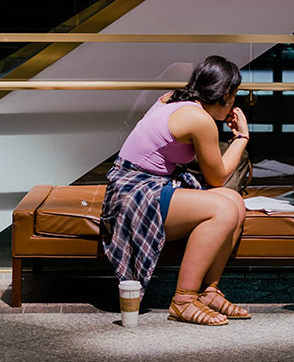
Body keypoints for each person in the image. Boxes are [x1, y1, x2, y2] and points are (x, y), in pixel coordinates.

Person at [100, 55, 252, 326]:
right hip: (134, 192)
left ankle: (208, 292)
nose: (234, 104)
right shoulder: (200, 120)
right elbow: (217, 177)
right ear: (224, 96)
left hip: (149, 183)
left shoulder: (175, 98)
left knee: (235, 201)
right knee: (223, 209)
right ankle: (183, 299)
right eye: (234, 97)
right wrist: (242, 137)